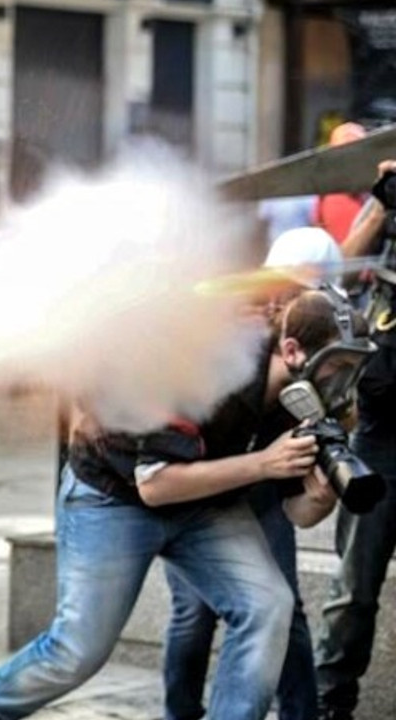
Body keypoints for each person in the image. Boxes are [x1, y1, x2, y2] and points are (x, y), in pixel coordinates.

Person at [0, 290, 368, 720]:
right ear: (293, 351)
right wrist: (263, 464)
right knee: (79, 650)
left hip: (206, 504)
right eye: (338, 366)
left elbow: (297, 514)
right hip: (114, 497)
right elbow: (155, 484)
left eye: (353, 368)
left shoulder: (302, 398)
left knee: (267, 606)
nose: (344, 382)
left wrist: (319, 498)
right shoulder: (210, 361)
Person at [159, 230, 347, 720]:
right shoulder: (234, 334)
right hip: (195, 485)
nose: (294, 297)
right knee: (193, 614)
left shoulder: (323, 337)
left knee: (282, 608)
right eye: (287, 285)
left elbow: (304, 500)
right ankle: (181, 713)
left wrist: (319, 487)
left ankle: (300, 714)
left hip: (263, 483)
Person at [315, 159, 396, 720]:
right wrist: (385, 200)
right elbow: (338, 269)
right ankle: (329, 703)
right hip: (381, 432)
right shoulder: (387, 215)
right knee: (353, 588)